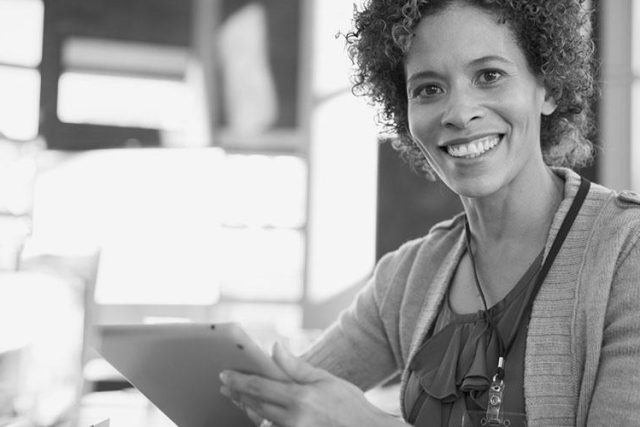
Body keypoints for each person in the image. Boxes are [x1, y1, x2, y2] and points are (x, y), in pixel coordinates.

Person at [219, 0, 640, 425]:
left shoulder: (627, 250)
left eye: (489, 76)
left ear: (546, 88)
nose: (458, 113)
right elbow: (277, 402)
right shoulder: (407, 279)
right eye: (429, 89)